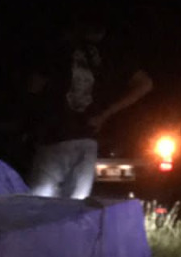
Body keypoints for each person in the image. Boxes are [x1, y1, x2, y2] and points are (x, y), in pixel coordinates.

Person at [24, 14, 154, 199]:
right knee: (74, 206)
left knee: (39, 205)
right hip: (87, 138)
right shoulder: (111, 54)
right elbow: (145, 84)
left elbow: (33, 87)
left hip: (54, 137)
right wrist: (105, 114)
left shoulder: (58, 49)